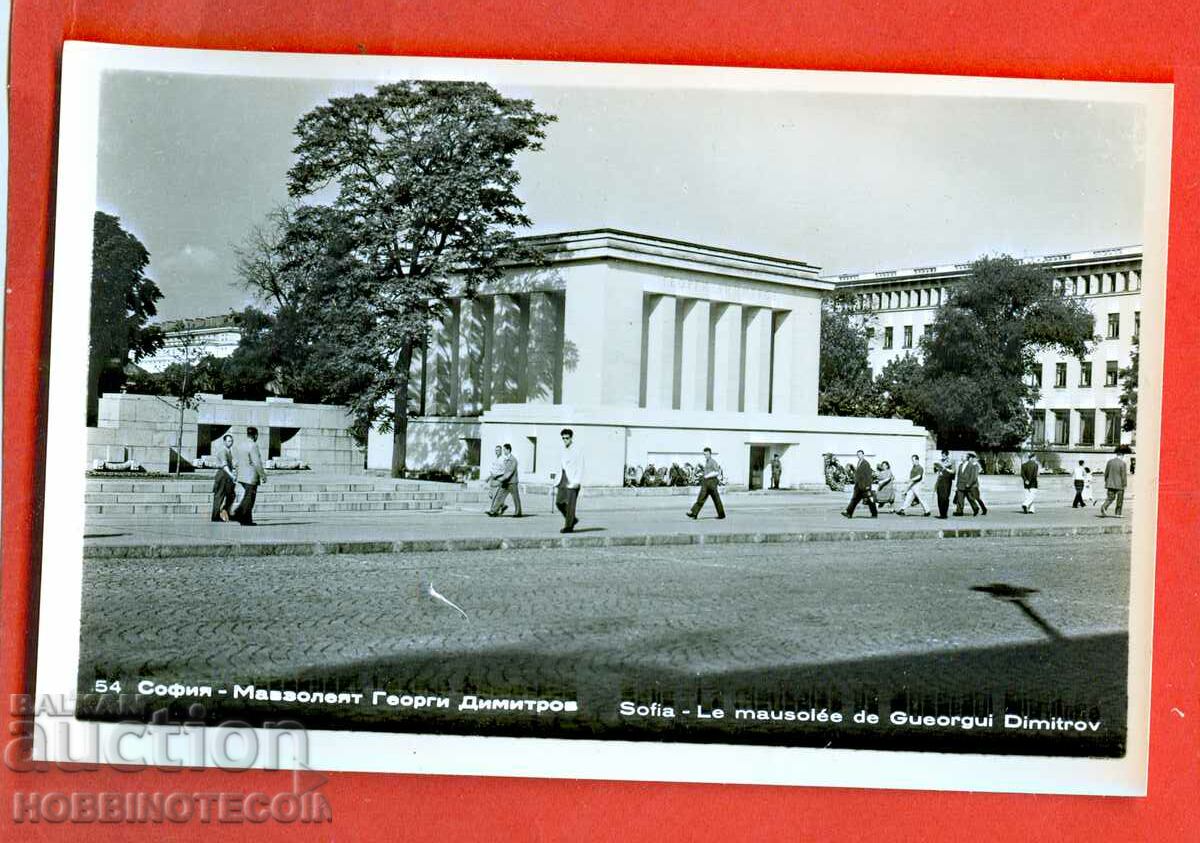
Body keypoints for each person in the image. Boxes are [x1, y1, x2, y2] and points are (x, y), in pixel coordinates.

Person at [232, 426, 266, 526]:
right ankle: (238, 513)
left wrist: (237, 474)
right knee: (250, 498)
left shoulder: (240, 445)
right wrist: (263, 475)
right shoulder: (253, 445)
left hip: (242, 476)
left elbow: (237, 461)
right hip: (251, 476)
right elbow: (257, 462)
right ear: (255, 435)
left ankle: (246, 520)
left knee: (247, 497)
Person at [556, 428, 584, 533]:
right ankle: (573, 519)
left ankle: (568, 526)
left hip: (573, 479)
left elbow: (580, 466)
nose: (565, 440)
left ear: (571, 438)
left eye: (567, 438)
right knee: (559, 502)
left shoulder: (577, 449)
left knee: (571, 504)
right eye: (563, 438)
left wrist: (576, 481)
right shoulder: (562, 449)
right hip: (563, 478)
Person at [687, 447, 726, 520]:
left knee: (716, 499)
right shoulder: (707, 462)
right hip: (706, 483)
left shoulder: (712, 461)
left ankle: (721, 514)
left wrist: (707, 476)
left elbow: (717, 472)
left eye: (707, 454)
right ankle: (694, 513)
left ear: (710, 454)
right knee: (701, 498)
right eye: (704, 454)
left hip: (712, 483)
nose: (706, 455)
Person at [210, 433, 237, 522]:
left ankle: (225, 510)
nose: (231, 443)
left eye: (232, 441)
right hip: (222, 475)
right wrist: (232, 475)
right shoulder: (223, 451)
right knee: (219, 496)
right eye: (229, 441)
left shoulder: (229, 452)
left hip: (227, 476)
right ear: (224, 442)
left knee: (231, 495)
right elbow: (224, 465)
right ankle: (215, 516)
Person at [842, 450, 878, 518]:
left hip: (865, 486)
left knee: (870, 500)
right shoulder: (859, 462)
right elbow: (858, 474)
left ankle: (874, 513)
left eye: (860, 454)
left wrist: (868, 486)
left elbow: (868, 475)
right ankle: (848, 513)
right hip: (859, 486)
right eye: (858, 454)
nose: (859, 456)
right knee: (854, 499)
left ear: (863, 455)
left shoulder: (866, 463)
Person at [489, 443, 522, 517]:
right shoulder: (506, 459)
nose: (503, 451)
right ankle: (493, 511)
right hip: (505, 482)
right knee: (499, 496)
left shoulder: (513, 460)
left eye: (504, 449)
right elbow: (503, 470)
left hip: (512, 482)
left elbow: (509, 472)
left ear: (508, 450)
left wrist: (502, 479)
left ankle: (518, 512)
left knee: (515, 498)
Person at [1099, 447, 1129, 517]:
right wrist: (1125, 484)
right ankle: (1118, 513)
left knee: (1110, 498)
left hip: (1110, 483)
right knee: (1120, 499)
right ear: (1122, 455)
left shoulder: (1109, 462)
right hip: (1119, 485)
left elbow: (1106, 473)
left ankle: (1104, 506)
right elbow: (1123, 475)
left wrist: (1106, 481)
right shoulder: (1122, 463)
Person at [485, 445, 507, 516]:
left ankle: (493, 511)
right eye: (496, 450)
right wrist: (489, 477)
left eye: (498, 450)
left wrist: (497, 475)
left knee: (495, 496)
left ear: (501, 451)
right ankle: (502, 506)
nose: (496, 451)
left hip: (498, 479)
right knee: (491, 495)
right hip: (492, 479)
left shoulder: (503, 459)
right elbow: (493, 469)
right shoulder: (495, 459)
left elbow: (504, 470)